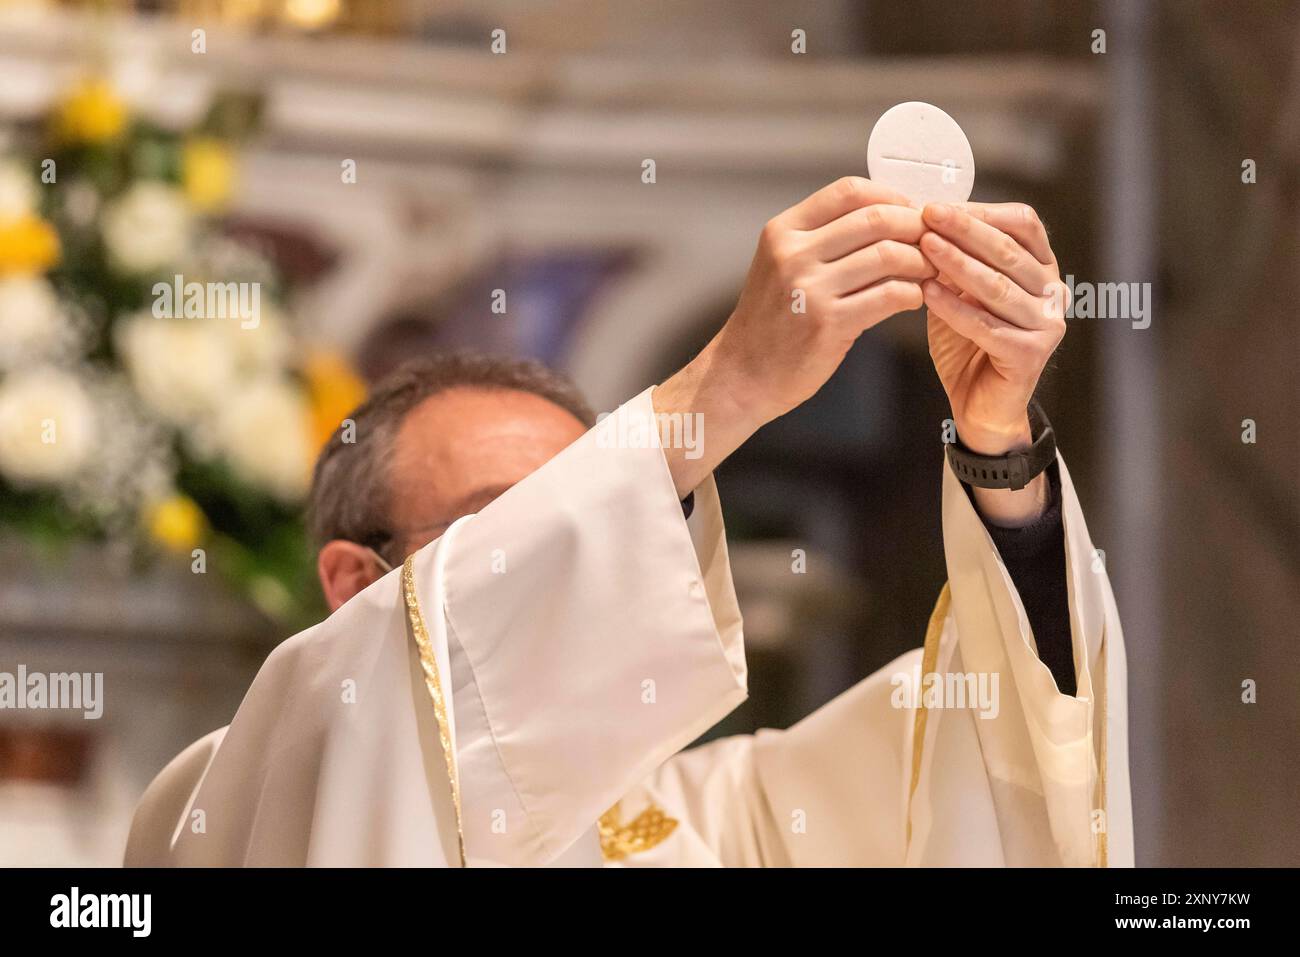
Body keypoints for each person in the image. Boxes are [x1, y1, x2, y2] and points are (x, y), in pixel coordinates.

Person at [124, 177, 1131, 867]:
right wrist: (725, 386)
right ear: (353, 583)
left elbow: (1002, 772)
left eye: (586, 513)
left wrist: (996, 438)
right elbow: (352, 702)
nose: (566, 559)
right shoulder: (240, 787)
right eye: (503, 535)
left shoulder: (716, 824)